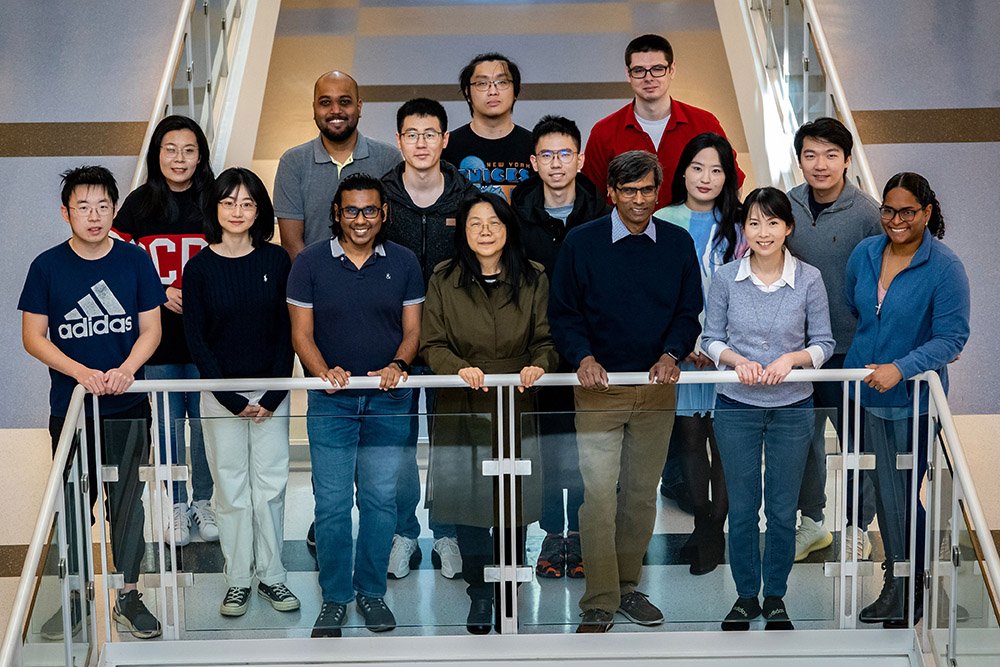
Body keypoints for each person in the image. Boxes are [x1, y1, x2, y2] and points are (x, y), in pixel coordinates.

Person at [548, 150, 702, 633]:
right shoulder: (581, 243)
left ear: (659, 193)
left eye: (647, 191)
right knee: (597, 497)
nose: (639, 200)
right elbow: (564, 314)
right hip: (600, 390)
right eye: (629, 191)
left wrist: (671, 354)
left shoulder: (677, 244)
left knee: (639, 495)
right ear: (611, 193)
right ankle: (598, 599)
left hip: (657, 389)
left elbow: (687, 310)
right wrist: (584, 358)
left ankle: (628, 587)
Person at [19, 166, 165, 639]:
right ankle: (78, 594)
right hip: (72, 409)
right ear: (66, 213)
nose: (94, 215)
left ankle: (128, 594)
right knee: (76, 506)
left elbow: (152, 329)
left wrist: (127, 369)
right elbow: (32, 337)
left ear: (115, 209)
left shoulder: (135, 260)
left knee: (128, 506)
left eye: (103, 205)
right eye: (83, 207)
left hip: (127, 410)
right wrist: (79, 372)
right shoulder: (46, 266)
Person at [287, 173, 424, 637]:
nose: (361, 219)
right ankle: (335, 598)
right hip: (332, 402)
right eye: (351, 211)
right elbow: (301, 335)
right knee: (330, 503)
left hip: (389, 400)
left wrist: (399, 363)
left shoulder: (404, 262)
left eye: (370, 210)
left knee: (380, 500)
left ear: (384, 213)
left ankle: (371, 592)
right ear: (336, 214)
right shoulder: (308, 263)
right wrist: (323, 371)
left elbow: (412, 331)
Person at [420, 191, 557, 634]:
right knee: (470, 502)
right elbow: (432, 344)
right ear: (462, 230)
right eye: (475, 222)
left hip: (517, 398)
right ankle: (480, 592)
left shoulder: (533, 276)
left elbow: (546, 340)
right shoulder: (444, 278)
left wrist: (541, 364)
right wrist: (459, 369)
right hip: (464, 400)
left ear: (508, 229)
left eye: (494, 222)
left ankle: (510, 586)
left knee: (513, 501)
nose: (484, 230)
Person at [702, 187, 834, 632]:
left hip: (792, 407)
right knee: (741, 508)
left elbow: (824, 344)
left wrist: (790, 361)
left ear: (788, 227)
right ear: (744, 227)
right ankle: (744, 596)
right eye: (754, 222)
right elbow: (711, 339)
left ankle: (774, 595)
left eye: (773, 222)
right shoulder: (725, 277)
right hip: (736, 405)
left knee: (781, 509)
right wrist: (737, 361)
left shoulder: (809, 279)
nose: (763, 232)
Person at [846, 173, 969, 627]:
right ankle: (903, 581)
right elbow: (856, 306)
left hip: (914, 401)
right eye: (888, 210)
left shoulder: (945, 267)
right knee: (882, 491)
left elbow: (953, 339)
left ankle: (905, 585)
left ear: (927, 213)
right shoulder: (865, 254)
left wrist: (902, 365)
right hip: (866, 395)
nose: (896, 220)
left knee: (900, 495)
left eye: (907, 212)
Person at [182, 168, 298, 618]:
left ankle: (272, 576)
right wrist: (231, 398)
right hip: (219, 396)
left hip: (273, 392)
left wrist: (270, 396)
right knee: (230, 490)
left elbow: (285, 332)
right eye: (228, 202)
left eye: (247, 203)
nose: (237, 211)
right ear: (215, 208)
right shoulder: (199, 267)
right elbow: (197, 340)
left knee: (269, 487)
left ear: (259, 211)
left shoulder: (275, 261)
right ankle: (237, 579)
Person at [381, 98, 476, 580]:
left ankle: (447, 533)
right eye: (411, 134)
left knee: (448, 443)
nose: (421, 142)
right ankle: (403, 532)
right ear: (399, 140)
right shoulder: (380, 198)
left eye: (430, 133)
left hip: (448, 342)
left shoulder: (467, 197)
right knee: (397, 444)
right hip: (390, 344)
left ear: (445, 140)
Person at [510, 115, 609, 579]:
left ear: (581, 159)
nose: (555, 163)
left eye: (565, 153)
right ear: (533, 162)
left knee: (590, 447)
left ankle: (586, 534)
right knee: (548, 448)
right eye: (546, 154)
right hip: (537, 353)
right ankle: (552, 532)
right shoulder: (515, 216)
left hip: (592, 351)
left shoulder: (601, 215)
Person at [113, 114, 218, 547]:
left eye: (189, 150)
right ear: (158, 154)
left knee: (206, 427)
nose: (179, 158)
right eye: (170, 149)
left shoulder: (215, 198)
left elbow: (232, 255)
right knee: (170, 428)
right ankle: (176, 506)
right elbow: (116, 262)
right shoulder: (139, 203)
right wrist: (158, 292)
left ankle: (205, 503)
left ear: (201, 155)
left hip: (206, 338)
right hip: (156, 341)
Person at [785, 117, 882, 563]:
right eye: (810, 155)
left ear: (845, 160)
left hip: (851, 351)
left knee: (856, 442)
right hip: (800, 352)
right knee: (804, 443)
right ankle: (812, 523)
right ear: (800, 159)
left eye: (830, 155)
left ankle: (857, 526)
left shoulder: (869, 214)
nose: (819, 164)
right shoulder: (787, 206)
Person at [653, 132, 743, 575]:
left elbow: (750, 294)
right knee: (689, 440)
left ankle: (713, 529)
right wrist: (684, 345)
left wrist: (721, 346)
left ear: (727, 177)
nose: (706, 178)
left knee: (723, 442)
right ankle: (702, 523)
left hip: (731, 352)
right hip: (684, 350)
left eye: (717, 170)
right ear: (682, 172)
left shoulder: (743, 224)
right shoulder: (662, 219)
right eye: (697, 168)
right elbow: (658, 293)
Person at [582, 33, 744, 210]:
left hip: (693, 235)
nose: (649, 78)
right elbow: (592, 197)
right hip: (627, 236)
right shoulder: (604, 131)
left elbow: (733, 182)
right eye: (639, 70)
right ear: (628, 74)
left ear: (672, 70)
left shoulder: (704, 123)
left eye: (658, 68)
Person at [274, 70, 401, 261]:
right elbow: (292, 244)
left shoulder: (388, 159)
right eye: (325, 102)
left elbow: (396, 233)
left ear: (359, 107)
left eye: (344, 102)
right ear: (314, 108)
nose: (335, 110)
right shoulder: (293, 163)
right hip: (315, 283)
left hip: (377, 281)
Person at [441, 52, 532, 201]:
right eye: (482, 83)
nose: (493, 91)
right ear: (467, 92)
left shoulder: (534, 145)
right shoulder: (446, 147)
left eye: (502, 82)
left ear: (516, 90)